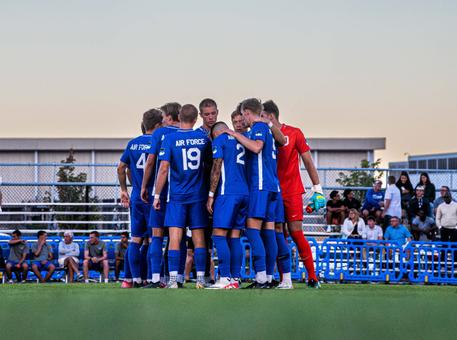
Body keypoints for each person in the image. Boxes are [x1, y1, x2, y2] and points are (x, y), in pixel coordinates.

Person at [260, 100, 324, 288]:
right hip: (273, 191)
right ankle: (283, 279)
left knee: (296, 233)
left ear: (269, 116)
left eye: (261, 115)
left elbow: (308, 161)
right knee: (278, 234)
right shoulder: (262, 134)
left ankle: (312, 277)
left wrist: (317, 189)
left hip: (293, 191)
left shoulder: (295, 133)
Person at [222, 98, 282, 289]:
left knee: (252, 230)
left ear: (247, 112)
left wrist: (233, 133)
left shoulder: (258, 127)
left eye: (243, 115)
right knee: (268, 232)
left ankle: (262, 278)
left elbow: (256, 147)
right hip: (272, 186)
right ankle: (270, 277)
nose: (243, 121)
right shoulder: (268, 129)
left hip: (260, 185)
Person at [153, 104, 212, 289]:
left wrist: (156, 195)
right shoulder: (203, 139)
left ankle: (172, 280)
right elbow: (210, 167)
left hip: (177, 196)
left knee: (175, 238)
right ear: (196, 119)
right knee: (199, 238)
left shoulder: (170, 139)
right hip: (198, 196)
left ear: (180, 116)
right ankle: (201, 279)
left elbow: (163, 169)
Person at [118, 108, 163, 288]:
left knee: (135, 239)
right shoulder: (159, 142)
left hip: (137, 195)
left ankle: (133, 279)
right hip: (154, 196)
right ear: (158, 125)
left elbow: (122, 168)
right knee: (153, 239)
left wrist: (124, 190)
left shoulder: (133, 143)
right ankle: (152, 279)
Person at [141, 103, 182, 288]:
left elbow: (151, 162)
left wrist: (143, 186)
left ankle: (156, 279)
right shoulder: (187, 133)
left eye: (164, 116)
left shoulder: (159, 133)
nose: (162, 119)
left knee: (157, 236)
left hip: (161, 190)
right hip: (179, 193)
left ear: (169, 117)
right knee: (177, 237)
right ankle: (177, 278)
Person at [205, 121, 249, 289]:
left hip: (227, 192)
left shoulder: (220, 139)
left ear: (215, 134)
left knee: (218, 234)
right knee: (235, 237)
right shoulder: (242, 138)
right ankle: (235, 278)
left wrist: (210, 195)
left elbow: (217, 167)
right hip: (244, 192)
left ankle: (224, 278)